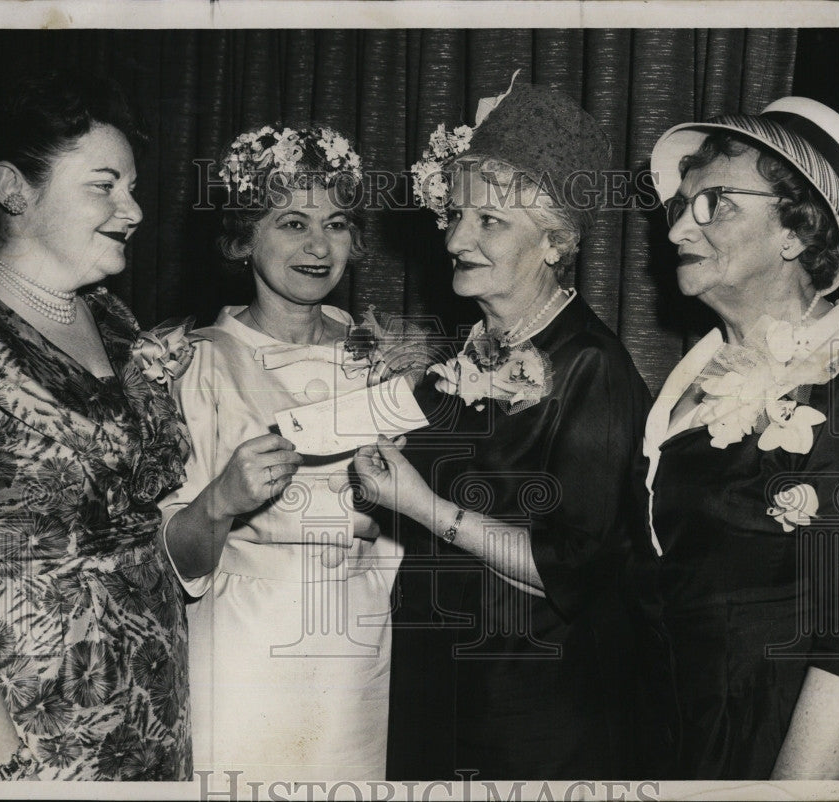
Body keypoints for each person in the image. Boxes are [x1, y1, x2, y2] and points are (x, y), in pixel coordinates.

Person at [353, 78, 653, 779]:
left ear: (555, 241)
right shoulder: (466, 353)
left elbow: (574, 569)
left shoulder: (592, 368)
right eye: (457, 214)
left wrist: (422, 505)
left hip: (531, 708)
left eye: (489, 221)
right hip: (437, 686)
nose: (455, 238)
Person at [0, 71, 194, 780]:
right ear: (15, 190)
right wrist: (0, 767)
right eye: (104, 185)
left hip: (149, 711)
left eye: (134, 187)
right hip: (30, 734)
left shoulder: (112, 317)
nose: (133, 209)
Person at [643, 97, 839, 779]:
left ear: (795, 230)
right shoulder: (685, 380)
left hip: (777, 748)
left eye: (716, 202)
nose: (676, 232)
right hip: (675, 736)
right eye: (681, 205)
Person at [159, 125, 401, 781]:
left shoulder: (378, 354)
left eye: (338, 223)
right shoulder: (197, 361)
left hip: (355, 652)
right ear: (242, 238)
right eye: (293, 223)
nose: (320, 246)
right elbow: (174, 555)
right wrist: (222, 500)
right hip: (245, 657)